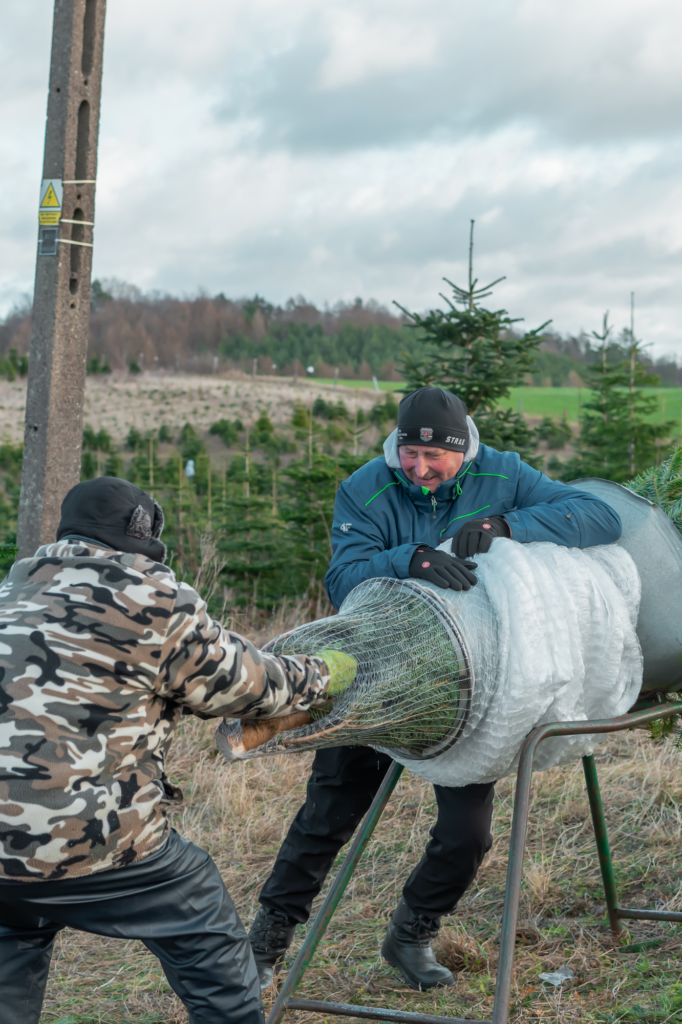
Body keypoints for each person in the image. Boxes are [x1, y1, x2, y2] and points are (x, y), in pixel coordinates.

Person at [248, 386, 622, 991]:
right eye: (408, 454)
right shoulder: (366, 486)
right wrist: (410, 559)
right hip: (373, 663)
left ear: (463, 451)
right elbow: (343, 576)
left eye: (433, 458)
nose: (418, 469)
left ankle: (411, 934)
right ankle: (265, 945)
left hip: (466, 686)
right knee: (327, 813)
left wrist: (508, 523)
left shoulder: (503, 473)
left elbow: (599, 516)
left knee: (467, 834)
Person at [0, 477, 348, 1024]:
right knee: (205, 927)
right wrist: (326, 673)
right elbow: (255, 687)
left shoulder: (9, 592)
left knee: (12, 934)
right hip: (84, 840)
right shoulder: (151, 603)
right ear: (142, 535)